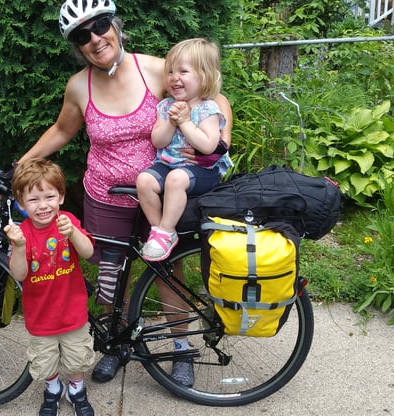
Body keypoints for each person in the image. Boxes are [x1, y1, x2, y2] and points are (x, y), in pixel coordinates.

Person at [19, 0, 233, 387]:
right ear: (78, 46)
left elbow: (214, 98)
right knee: (111, 278)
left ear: (115, 25)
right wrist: (24, 162)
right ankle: (117, 346)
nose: (96, 39)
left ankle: (181, 349)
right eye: (83, 36)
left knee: (168, 271)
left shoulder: (153, 68)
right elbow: (63, 131)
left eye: (101, 26)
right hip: (106, 195)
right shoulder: (79, 86)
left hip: (163, 190)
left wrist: (218, 145)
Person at [4, 158, 97, 416]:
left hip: (73, 312)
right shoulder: (23, 233)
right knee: (45, 363)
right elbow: (19, 273)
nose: (43, 206)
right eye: (33, 200)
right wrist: (20, 247)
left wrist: (74, 234)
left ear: (61, 197)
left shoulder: (67, 221)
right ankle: (53, 388)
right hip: (41, 316)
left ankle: (76, 389)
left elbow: (88, 252)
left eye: (49, 197)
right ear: (21, 204)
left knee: (77, 358)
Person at [137, 38, 233, 262]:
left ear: (204, 76)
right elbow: (158, 141)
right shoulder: (165, 106)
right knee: (144, 180)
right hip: (168, 164)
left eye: (183, 71)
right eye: (170, 71)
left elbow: (209, 145)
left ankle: (167, 229)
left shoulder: (207, 108)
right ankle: (159, 230)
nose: (174, 77)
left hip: (201, 171)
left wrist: (185, 122)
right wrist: (171, 122)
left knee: (176, 179)